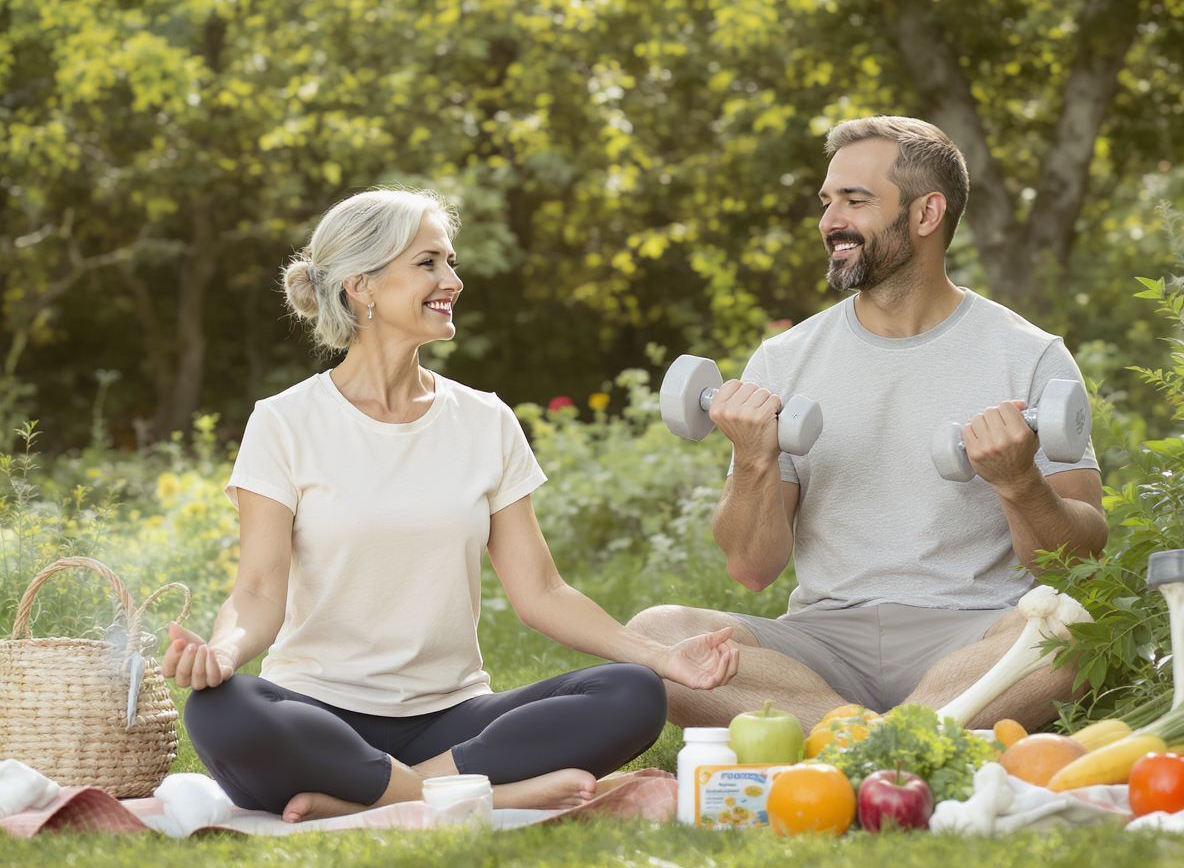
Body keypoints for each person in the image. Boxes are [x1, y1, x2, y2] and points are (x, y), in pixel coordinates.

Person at [165, 188, 739, 823]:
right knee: (220, 709)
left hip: (452, 721)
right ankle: (482, 796)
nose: (453, 280)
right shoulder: (285, 422)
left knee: (631, 694)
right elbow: (258, 590)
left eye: (450, 261)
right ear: (362, 286)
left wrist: (661, 657)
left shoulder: (484, 419)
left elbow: (541, 591)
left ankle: (372, 797)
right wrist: (222, 652)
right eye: (429, 263)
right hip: (316, 715)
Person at [626, 116, 1108, 733]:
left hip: (973, 632)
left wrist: (1018, 483)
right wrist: (753, 458)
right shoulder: (783, 360)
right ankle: (889, 738)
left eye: (855, 201)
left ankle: (844, 742)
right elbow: (752, 570)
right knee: (655, 637)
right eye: (828, 202)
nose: (831, 221)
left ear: (926, 213)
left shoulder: (1029, 354)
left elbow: (1078, 563)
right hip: (825, 645)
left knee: (1072, 630)